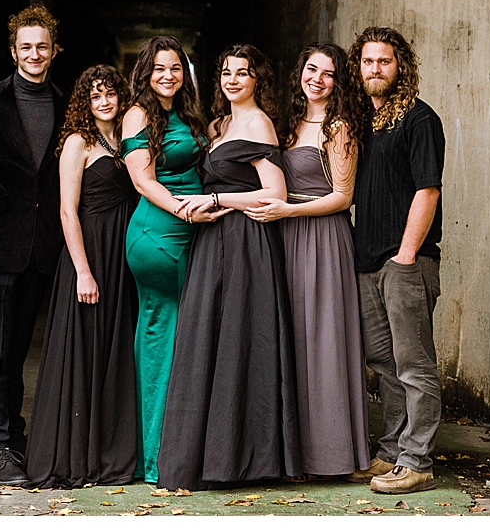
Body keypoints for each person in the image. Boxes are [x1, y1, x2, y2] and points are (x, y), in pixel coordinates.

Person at [158, 43, 302, 491]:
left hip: (245, 243)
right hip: (211, 242)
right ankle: (205, 457)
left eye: (243, 73)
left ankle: (241, 459)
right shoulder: (219, 124)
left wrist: (216, 199)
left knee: (240, 340)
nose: (233, 79)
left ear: (258, 80)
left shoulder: (259, 124)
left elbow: (274, 193)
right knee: (207, 341)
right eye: (226, 72)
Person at [244, 42, 371, 478]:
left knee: (324, 340)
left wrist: (289, 211)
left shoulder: (340, 126)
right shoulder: (290, 124)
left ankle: (331, 455)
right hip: (285, 237)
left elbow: (343, 196)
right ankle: (292, 453)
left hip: (322, 238)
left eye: (328, 73)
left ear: (339, 82)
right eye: (310, 69)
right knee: (291, 338)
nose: (316, 78)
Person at [26, 64, 141, 488]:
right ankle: (79, 459)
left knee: (116, 353)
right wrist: (83, 272)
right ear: (85, 103)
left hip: (122, 256)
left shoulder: (125, 140)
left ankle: (114, 455)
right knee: (87, 354)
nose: (105, 102)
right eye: (96, 96)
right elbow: (65, 210)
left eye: (111, 93)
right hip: (89, 255)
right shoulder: (78, 142)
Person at [0, 5, 70, 486]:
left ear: (54, 51)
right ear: (13, 51)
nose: (34, 53)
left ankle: (20, 436)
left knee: (26, 349)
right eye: (26, 46)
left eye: (42, 46)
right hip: (0, 242)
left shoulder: (69, 104)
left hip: (47, 245)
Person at [348, 26, 447, 495]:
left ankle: (417, 461)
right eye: (368, 62)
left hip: (405, 263)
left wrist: (405, 257)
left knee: (414, 365)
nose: (375, 69)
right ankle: (391, 452)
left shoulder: (419, 120)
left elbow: (427, 190)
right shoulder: (363, 123)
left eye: (384, 61)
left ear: (399, 66)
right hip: (367, 264)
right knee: (383, 364)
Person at [119, 36, 221, 484]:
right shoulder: (138, 114)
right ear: (146, 72)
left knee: (186, 340)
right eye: (160, 68)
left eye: (176, 68)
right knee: (165, 340)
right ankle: (157, 457)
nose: (168, 75)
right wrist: (182, 207)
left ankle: (181, 448)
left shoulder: (189, 113)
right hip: (159, 233)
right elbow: (142, 180)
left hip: (191, 231)